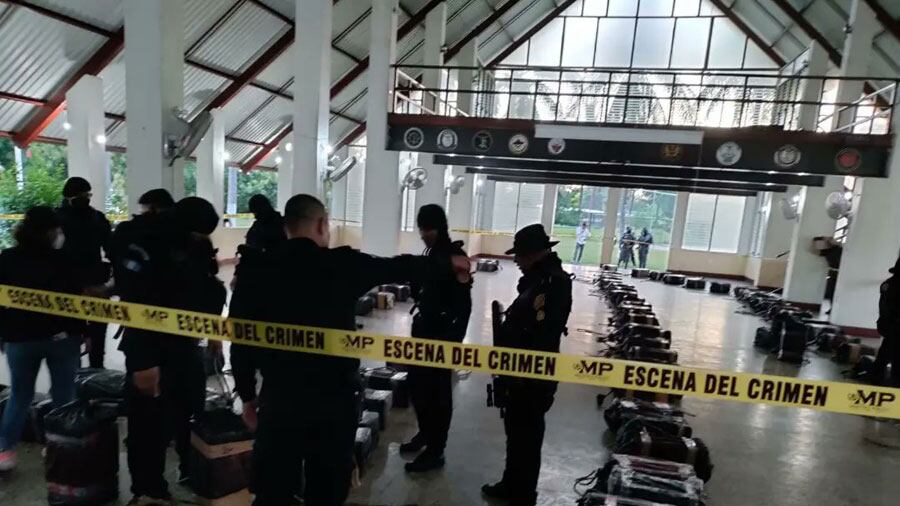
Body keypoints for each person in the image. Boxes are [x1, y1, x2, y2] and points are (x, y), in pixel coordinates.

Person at [229, 194, 469, 506]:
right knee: (326, 490)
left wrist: (248, 397)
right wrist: (447, 263)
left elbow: (241, 339)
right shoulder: (341, 264)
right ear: (322, 224)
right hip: (333, 402)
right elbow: (395, 267)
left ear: (287, 227)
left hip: (279, 400)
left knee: (273, 490)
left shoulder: (255, 270)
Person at [111, 197, 226, 504]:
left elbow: (203, 285)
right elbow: (135, 303)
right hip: (149, 350)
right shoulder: (144, 244)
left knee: (191, 411)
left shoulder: (186, 245)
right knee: (148, 424)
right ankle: (148, 489)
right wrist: (143, 363)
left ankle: (190, 470)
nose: (201, 240)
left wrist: (213, 327)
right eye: (199, 233)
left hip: (184, 345)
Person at [482, 224, 572, 506]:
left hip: (532, 376)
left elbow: (543, 335)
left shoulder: (553, 283)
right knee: (516, 433)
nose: (516, 261)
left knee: (528, 436)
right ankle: (511, 483)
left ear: (534, 254)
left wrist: (523, 372)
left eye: (519, 255)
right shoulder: (538, 280)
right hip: (518, 372)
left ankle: (523, 495)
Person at [0, 207, 84, 471]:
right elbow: (76, 301)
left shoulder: (7, 258)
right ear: (52, 231)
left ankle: (5, 451)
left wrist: (3, 333)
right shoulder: (65, 260)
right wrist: (83, 332)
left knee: (19, 396)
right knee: (64, 397)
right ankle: (58, 447)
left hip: (20, 339)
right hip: (62, 339)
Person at [401, 204, 472, 472]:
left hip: (443, 335)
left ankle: (436, 450)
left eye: (427, 229)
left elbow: (464, 305)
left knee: (438, 393)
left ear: (438, 228)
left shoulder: (456, 257)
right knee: (418, 386)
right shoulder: (430, 254)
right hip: (423, 330)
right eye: (421, 229)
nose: (423, 235)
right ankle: (425, 433)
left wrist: (455, 340)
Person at [56, 177, 111, 368]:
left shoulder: (58, 218)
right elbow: (111, 248)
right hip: (82, 281)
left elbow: (110, 248)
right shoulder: (96, 218)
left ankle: (79, 372)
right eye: (83, 195)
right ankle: (93, 369)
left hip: (71, 281)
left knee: (77, 330)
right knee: (92, 329)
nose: (86, 198)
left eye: (88, 195)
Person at [874, 256, 900, 387]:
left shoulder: (888, 283)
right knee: (895, 359)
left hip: (888, 325)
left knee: (885, 355)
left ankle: (877, 381)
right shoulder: (895, 285)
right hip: (895, 326)